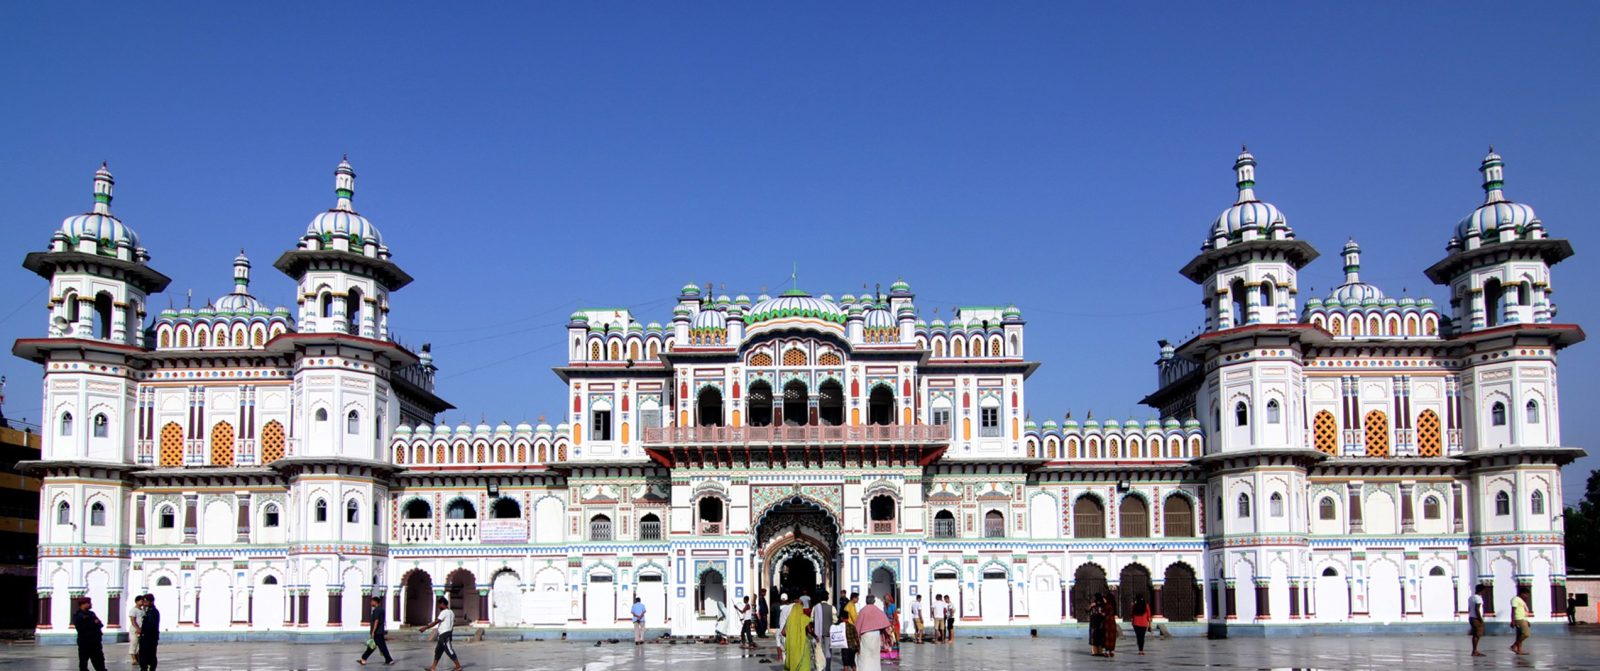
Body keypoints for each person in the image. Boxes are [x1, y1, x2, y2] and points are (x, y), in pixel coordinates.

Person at [419, 596, 461, 671]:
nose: (439, 606)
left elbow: (436, 622)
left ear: (442, 604)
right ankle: (433, 667)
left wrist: (425, 628)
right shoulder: (451, 612)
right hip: (443, 635)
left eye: (439, 604)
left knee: (449, 650)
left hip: (445, 635)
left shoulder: (444, 612)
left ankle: (458, 666)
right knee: (438, 651)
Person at [854, 595, 890, 671]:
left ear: (866, 601)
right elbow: (885, 623)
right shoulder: (878, 610)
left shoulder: (863, 611)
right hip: (876, 635)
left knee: (864, 655)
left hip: (865, 635)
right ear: (874, 601)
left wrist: (856, 638)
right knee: (875, 655)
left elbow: (857, 626)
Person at [358, 595, 394, 666]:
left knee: (376, 647)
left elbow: (376, 621)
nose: (370, 603)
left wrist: (373, 632)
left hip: (377, 632)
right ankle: (364, 659)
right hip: (380, 631)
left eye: (372, 601)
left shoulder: (377, 610)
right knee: (375, 646)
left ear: (375, 602)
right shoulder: (381, 609)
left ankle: (389, 660)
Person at [73, 597, 107, 671]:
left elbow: (100, 624)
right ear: (83, 604)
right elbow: (81, 628)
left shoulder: (91, 613)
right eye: (88, 603)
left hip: (96, 642)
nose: (90, 604)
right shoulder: (78, 615)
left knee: (99, 661)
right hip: (85, 642)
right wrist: (93, 623)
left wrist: (94, 623)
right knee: (83, 662)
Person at [783, 595, 813, 671]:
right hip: (803, 644)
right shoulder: (804, 617)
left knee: (793, 661)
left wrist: (792, 634)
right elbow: (810, 631)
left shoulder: (789, 619)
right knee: (804, 664)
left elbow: (783, 632)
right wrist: (815, 636)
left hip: (792, 644)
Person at [811, 592, 835, 671]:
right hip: (828, 632)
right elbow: (835, 620)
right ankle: (828, 668)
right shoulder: (832, 608)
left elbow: (811, 619)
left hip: (817, 633)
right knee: (828, 652)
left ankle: (819, 668)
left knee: (818, 651)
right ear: (827, 598)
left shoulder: (815, 607)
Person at [137, 595, 160, 671]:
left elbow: (150, 625)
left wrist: (143, 631)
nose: (144, 603)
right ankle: (144, 667)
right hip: (146, 637)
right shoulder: (147, 611)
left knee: (150, 654)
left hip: (150, 637)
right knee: (143, 654)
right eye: (143, 601)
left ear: (151, 602)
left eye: (146, 601)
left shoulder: (153, 612)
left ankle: (150, 668)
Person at [1510, 588, 1531, 655]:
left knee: (1519, 635)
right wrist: (1512, 621)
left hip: (1523, 618)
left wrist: (1527, 620)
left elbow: (1523, 611)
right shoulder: (1515, 599)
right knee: (1526, 634)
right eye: (1526, 594)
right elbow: (1513, 610)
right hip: (1519, 619)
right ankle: (1514, 645)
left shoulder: (1521, 600)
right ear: (1522, 593)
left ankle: (1519, 650)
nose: (1527, 596)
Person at [1467, 584, 1487, 657]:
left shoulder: (1471, 597)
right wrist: (1480, 619)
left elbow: (1469, 608)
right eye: (1484, 590)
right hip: (1476, 618)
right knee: (1477, 635)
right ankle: (1474, 651)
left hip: (1471, 617)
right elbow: (1477, 609)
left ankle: (1475, 650)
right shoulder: (1478, 598)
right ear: (1481, 590)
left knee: (1476, 634)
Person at [127, 595, 145, 668]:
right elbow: (133, 620)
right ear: (137, 601)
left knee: (140, 645)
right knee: (134, 643)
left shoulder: (142, 610)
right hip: (135, 630)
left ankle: (138, 658)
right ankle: (134, 659)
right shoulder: (133, 610)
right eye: (141, 601)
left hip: (142, 629)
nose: (142, 602)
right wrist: (137, 629)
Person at [881, 593, 899, 661]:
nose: (885, 600)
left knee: (893, 639)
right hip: (886, 624)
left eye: (886, 599)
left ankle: (894, 655)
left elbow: (894, 616)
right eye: (885, 599)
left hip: (893, 624)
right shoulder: (885, 607)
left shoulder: (892, 606)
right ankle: (887, 654)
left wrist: (893, 625)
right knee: (887, 640)